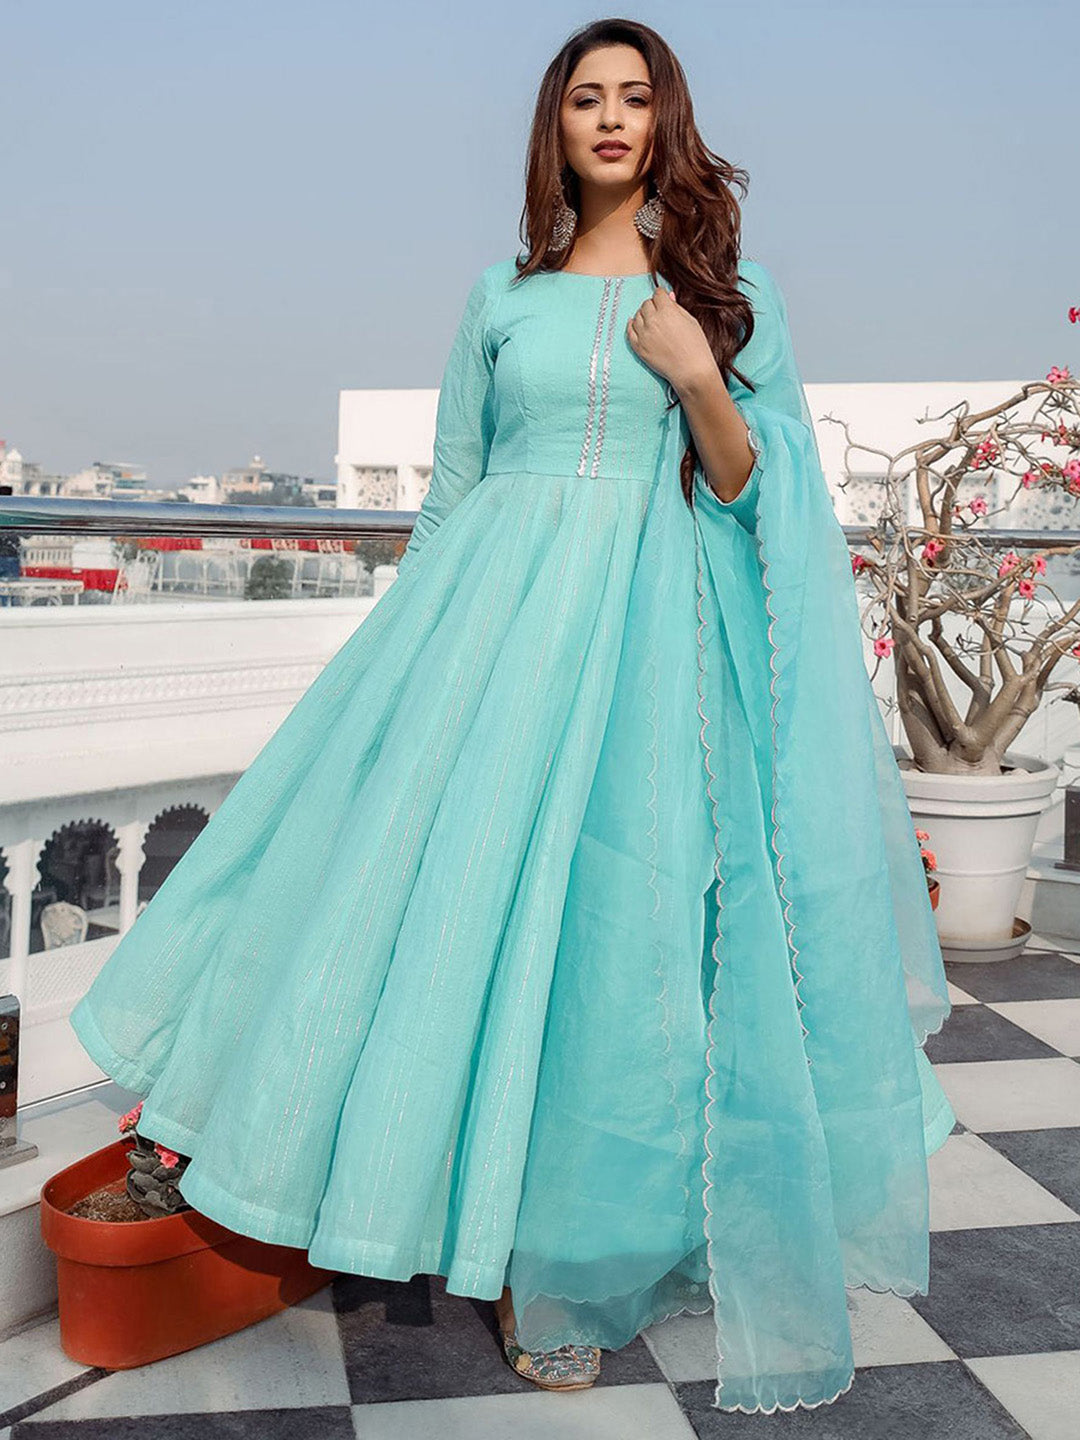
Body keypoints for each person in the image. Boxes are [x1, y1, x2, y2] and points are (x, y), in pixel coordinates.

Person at [69, 17, 954, 1415]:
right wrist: (399, 666)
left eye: (635, 98)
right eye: (585, 98)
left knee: (616, 945)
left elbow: (751, 487)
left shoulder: (729, 297)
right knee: (453, 920)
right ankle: (428, 1205)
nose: (610, 118)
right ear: (555, 127)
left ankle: (572, 1258)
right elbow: (454, 494)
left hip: (649, 657)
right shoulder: (501, 296)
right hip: (488, 642)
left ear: (666, 122)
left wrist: (697, 372)